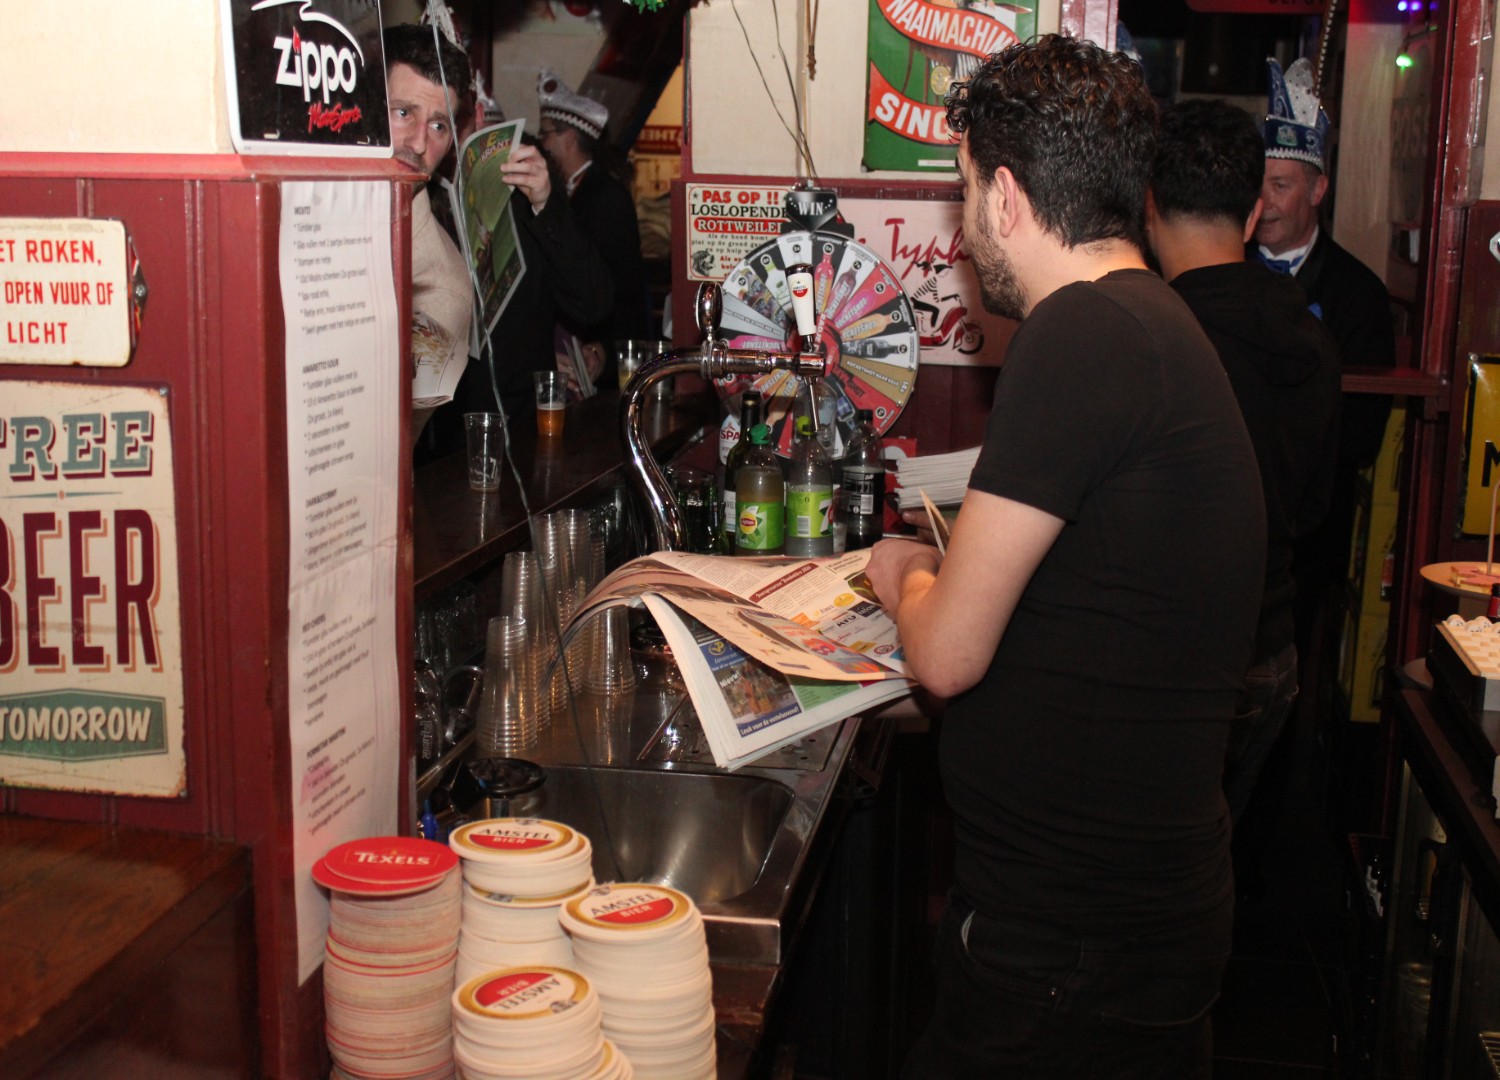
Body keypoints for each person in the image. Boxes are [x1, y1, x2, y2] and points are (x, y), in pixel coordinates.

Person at [864, 36, 1265, 1078]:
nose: (964, 229)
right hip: (1118, 928)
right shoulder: (1148, 320)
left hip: (1073, 946)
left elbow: (946, 655)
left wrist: (902, 575)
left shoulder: (1080, 332)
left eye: (965, 193)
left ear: (1006, 196)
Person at [1146, 99, 1342, 835]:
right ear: (1255, 211)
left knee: (1149, 868)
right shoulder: (1312, 337)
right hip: (1268, 651)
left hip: (1169, 658)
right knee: (1216, 855)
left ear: (1148, 205)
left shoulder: (1149, 336)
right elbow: (1316, 507)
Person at [383, 24, 474, 444]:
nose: (419, 144)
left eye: (438, 126)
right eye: (403, 113)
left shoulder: (442, 288)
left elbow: (393, 436)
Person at [536, 69, 650, 386]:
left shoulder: (605, 196)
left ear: (570, 138)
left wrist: (602, 349)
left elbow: (619, 287)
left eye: (546, 134)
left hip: (598, 356)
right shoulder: (567, 191)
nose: (542, 143)